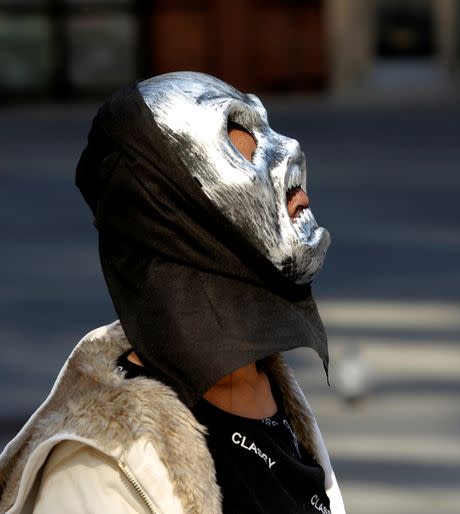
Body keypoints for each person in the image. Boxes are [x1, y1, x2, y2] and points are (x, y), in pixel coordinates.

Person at [0, 71, 345, 514]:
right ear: (180, 219)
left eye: (267, 128)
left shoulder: (272, 391)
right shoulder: (97, 470)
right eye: (245, 145)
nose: (290, 151)